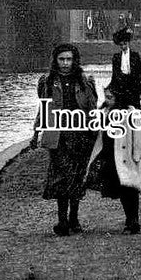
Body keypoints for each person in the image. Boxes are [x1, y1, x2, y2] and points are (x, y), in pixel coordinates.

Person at [31, 43, 98, 236]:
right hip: (58, 136)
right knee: (62, 177)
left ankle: (74, 219)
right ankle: (62, 220)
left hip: (80, 135)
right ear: (55, 61)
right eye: (62, 59)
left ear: (74, 61)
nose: (65, 63)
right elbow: (43, 109)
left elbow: (92, 108)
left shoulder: (85, 82)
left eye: (69, 59)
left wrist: (96, 131)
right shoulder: (47, 82)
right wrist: (36, 133)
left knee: (77, 177)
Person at [86, 83, 141, 234]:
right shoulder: (105, 111)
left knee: (130, 188)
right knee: (121, 186)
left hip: (126, 156)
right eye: (106, 97)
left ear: (119, 97)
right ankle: (129, 219)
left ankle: (133, 220)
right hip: (111, 155)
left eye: (110, 97)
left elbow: (139, 136)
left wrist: (137, 154)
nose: (107, 100)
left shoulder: (131, 113)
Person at [109, 27, 141, 108]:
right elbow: (114, 74)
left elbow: (139, 74)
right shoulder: (116, 57)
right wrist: (112, 89)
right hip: (120, 87)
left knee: (134, 110)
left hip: (133, 86)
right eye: (121, 45)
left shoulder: (135, 56)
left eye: (125, 44)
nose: (123, 46)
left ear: (128, 43)